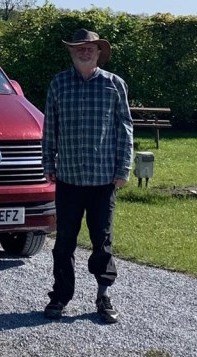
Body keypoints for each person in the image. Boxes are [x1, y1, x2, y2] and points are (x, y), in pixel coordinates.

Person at [42, 28, 134, 323]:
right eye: (79, 47)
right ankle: (60, 296)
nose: (85, 51)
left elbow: (125, 129)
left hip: (103, 179)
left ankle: (103, 295)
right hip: (68, 177)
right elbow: (50, 128)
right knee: (64, 242)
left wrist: (123, 168)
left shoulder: (114, 85)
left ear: (99, 53)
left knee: (102, 241)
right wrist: (48, 163)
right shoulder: (59, 84)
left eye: (90, 48)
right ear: (71, 52)